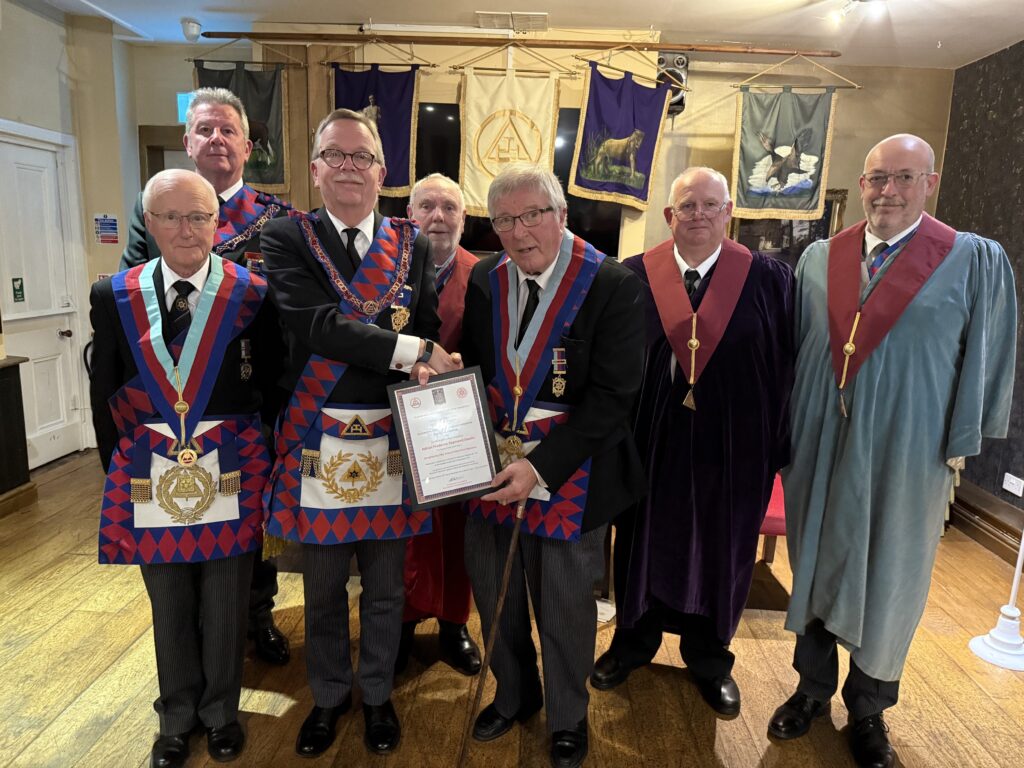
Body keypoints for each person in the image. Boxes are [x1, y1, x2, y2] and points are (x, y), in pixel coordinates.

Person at [769, 134, 1016, 768]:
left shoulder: (971, 260)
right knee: (818, 563)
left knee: (891, 577)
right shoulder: (821, 258)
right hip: (822, 440)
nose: (888, 191)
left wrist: (962, 441)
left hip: (909, 449)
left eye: (904, 178)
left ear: (930, 183)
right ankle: (811, 691)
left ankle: (870, 711)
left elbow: (987, 356)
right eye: (877, 178)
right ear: (863, 183)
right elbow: (792, 353)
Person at [259, 108, 462, 758]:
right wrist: (413, 349)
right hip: (316, 439)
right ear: (315, 169)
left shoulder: (415, 246)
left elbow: (426, 330)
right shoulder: (286, 239)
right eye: (335, 155)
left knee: (384, 589)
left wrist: (430, 367)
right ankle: (326, 698)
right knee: (320, 593)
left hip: (391, 442)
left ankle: (375, 696)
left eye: (361, 156)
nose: (349, 166)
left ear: (382, 171)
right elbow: (314, 325)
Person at [90, 169, 280, 768]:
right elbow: (104, 392)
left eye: (198, 216)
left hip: (232, 466)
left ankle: (221, 711)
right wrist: (113, 471)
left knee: (227, 597)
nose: (185, 229)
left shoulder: (252, 292)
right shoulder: (114, 294)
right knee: (168, 600)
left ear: (216, 223)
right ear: (149, 223)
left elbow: (271, 384)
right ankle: (176, 716)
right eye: (170, 216)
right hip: (149, 471)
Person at [460, 164, 646, 768]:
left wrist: (541, 468)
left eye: (532, 215)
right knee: (496, 593)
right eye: (505, 219)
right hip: (491, 467)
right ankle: (515, 694)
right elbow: (481, 371)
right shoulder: (488, 277)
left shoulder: (611, 285)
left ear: (560, 216)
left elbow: (615, 398)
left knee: (566, 607)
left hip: (572, 473)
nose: (519, 231)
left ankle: (568, 716)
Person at [591, 167, 794, 716]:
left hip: (733, 454)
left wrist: (776, 447)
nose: (699, 215)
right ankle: (632, 642)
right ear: (669, 215)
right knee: (640, 543)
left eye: (711, 205)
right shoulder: (630, 277)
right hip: (649, 447)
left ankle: (709, 658)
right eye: (687, 206)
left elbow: (786, 371)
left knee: (723, 554)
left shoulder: (771, 280)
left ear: (729, 212)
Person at [119, 86, 293, 667]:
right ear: (187, 141)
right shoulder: (154, 213)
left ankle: (257, 616)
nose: (216, 138)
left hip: (245, 401)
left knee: (248, 525)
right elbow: (131, 304)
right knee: (176, 527)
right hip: (171, 406)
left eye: (227, 129)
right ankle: (192, 641)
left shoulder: (279, 220)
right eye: (203, 129)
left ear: (248, 144)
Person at [395, 173, 481, 677]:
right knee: (403, 532)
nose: (438, 217)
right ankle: (400, 623)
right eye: (427, 206)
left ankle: (453, 623)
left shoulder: (486, 275)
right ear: (410, 214)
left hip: (457, 427)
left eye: (450, 208)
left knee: (455, 530)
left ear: (464, 220)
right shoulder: (386, 273)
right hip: (396, 422)